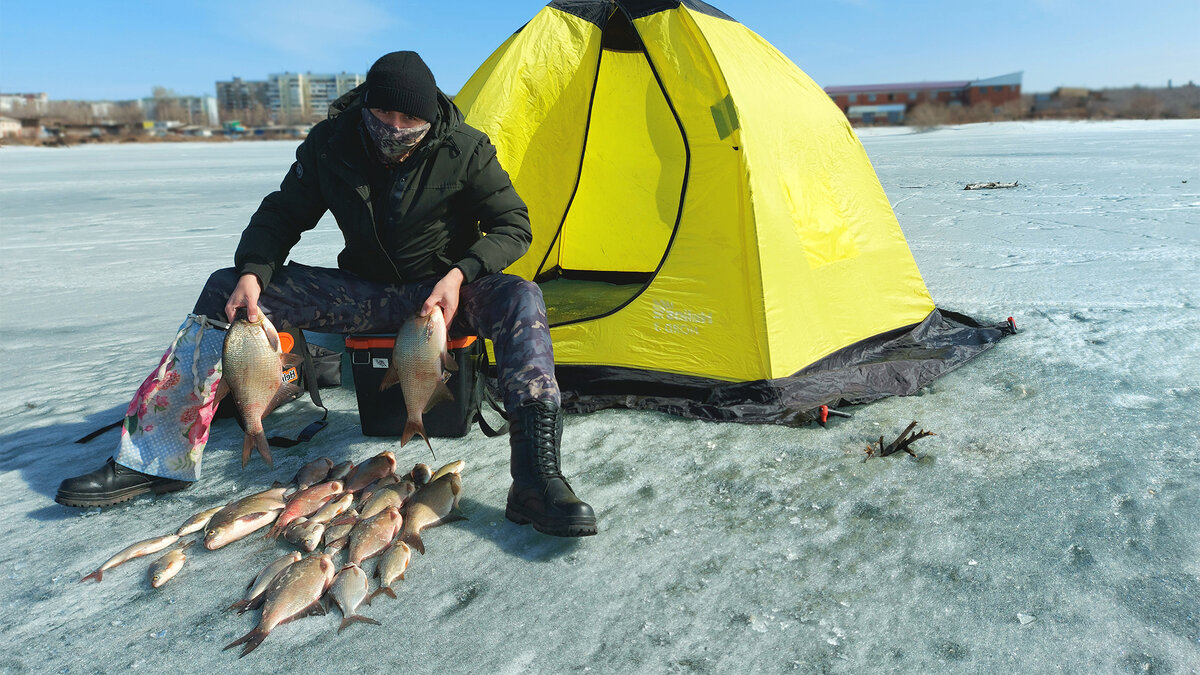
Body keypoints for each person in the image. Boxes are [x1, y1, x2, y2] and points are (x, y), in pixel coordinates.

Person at [56, 51, 597, 538]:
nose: (395, 130)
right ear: (367, 109)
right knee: (226, 287)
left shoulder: (466, 149)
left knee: (520, 298)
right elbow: (283, 213)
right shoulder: (332, 144)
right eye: (384, 118)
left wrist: (460, 273)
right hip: (361, 292)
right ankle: (154, 460)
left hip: (441, 297)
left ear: (430, 118)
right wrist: (253, 271)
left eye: (409, 122)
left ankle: (535, 480)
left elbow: (513, 226)